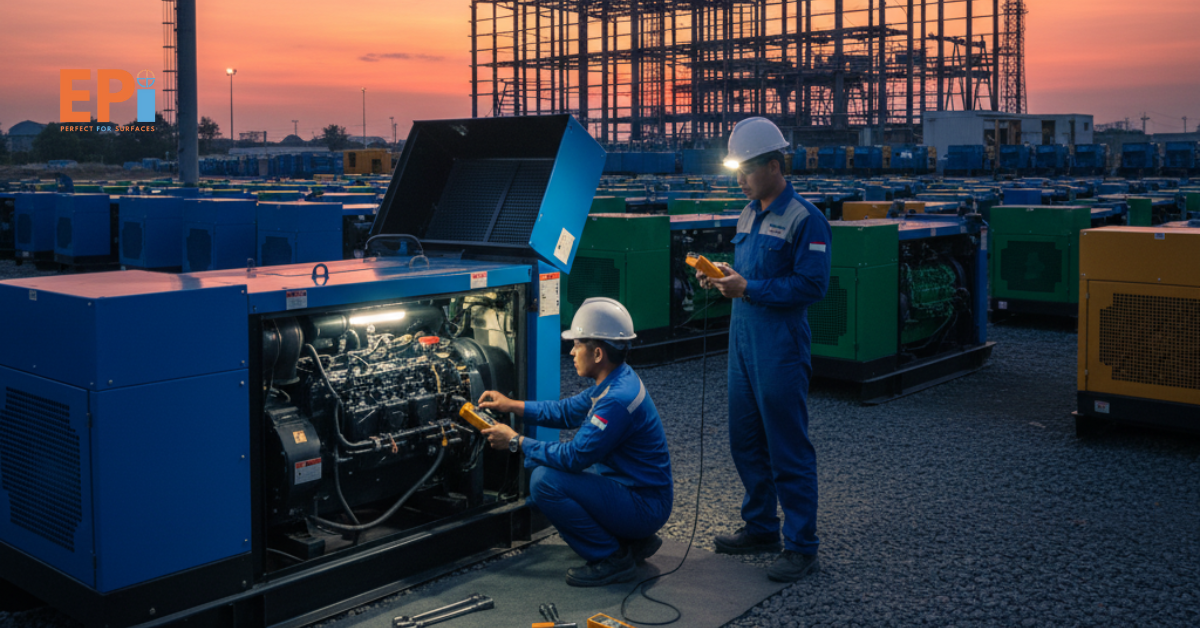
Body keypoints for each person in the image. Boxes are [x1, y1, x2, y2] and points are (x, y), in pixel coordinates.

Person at [697, 116, 831, 583]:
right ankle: (761, 526)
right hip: (743, 343)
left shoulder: (805, 219)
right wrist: (723, 275)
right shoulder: (749, 212)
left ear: (774, 166)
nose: (740, 180)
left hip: (779, 347)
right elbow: (749, 272)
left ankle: (801, 545)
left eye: (747, 171)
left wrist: (748, 287)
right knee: (746, 440)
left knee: (787, 447)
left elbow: (812, 286)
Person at [477, 297, 673, 587]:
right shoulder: (617, 379)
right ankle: (633, 541)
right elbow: (566, 411)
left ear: (597, 353)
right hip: (637, 491)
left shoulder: (616, 401)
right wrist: (511, 405)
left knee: (545, 481)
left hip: (645, 506)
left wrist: (516, 441)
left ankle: (611, 558)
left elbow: (574, 457)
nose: (571, 351)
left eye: (577, 344)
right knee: (563, 474)